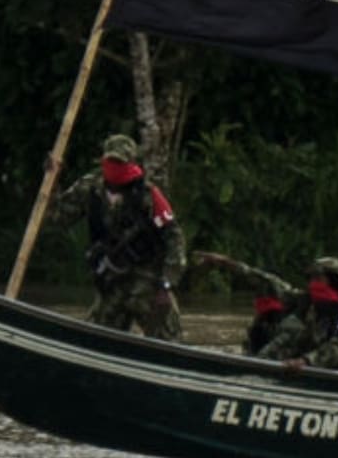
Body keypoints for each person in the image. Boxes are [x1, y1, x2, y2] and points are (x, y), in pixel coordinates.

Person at [50, 133, 185, 340]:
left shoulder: (148, 195)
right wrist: (52, 182)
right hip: (112, 284)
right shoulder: (90, 187)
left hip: (148, 284)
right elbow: (59, 218)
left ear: (131, 164)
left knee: (173, 346)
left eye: (120, 163)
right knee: (92, 342)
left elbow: (174, 237)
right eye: (111, 161)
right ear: (103, 160)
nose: (115, 167)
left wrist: (167, 284)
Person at [257, 256, 338, 374]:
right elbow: (280, 288)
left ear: (332, 281)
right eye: (312, 278)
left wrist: (306, 361)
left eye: (318, 278)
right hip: (311, 364)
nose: (313, 283)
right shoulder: (308, 301)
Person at [194, 251, 300, 354]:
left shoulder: (288, 294)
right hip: (265, 330)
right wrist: (222, 261)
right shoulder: (267, 288)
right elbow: (246, 271)